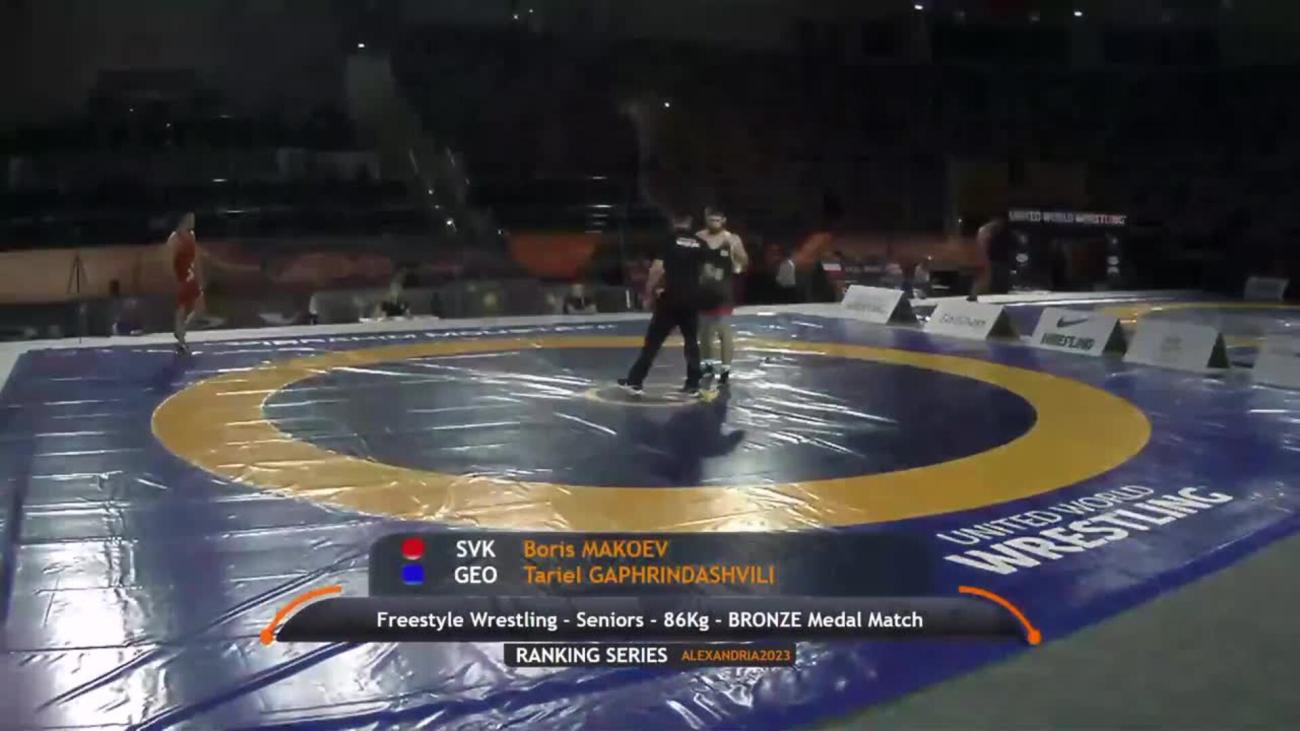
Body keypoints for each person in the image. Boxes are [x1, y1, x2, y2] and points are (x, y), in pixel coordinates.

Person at [619, 212, 720, 397]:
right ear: (689, 222)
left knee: (653, 342)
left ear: (673, 222)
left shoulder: (669, 240)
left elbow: (657, 269)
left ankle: (635, 381)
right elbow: (709, 272)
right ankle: (693, 384)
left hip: (671, 298)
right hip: (691, 299)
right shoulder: (700, 243)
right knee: (691, 342)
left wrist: (648, 293)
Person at [696, 208, 748, 386]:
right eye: (711, 220)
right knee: (704, 331)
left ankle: (725, 369)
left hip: (722, 291)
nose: (714, 223)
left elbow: (744, 262)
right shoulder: (699, 237)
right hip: (702, 291)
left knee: (723, 329)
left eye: (717, 220)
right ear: (706, 220)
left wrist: (736, 250)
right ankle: (707, 365)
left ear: (723, 220)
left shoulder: (731, 238)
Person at [169, 212, 202, 354]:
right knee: (181, 308)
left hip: (190, 274)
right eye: (190, 219)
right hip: (181, 276)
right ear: (183, 220)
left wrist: (197, 275)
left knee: (198, 307)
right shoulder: (175, 237)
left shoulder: (192, 235)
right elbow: (169, 259)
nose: (193, 221)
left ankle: (180, 330)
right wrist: (173, 278)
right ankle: (181, 339)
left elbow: (194, 258)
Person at [968, 215, 1014, 301]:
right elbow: (985, 243)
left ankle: (974, 294)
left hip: (985, 256)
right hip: (986, 256)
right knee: (982, 276)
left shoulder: (987, 230)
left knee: (981, 276)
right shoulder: (989, 230)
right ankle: (975, 294)